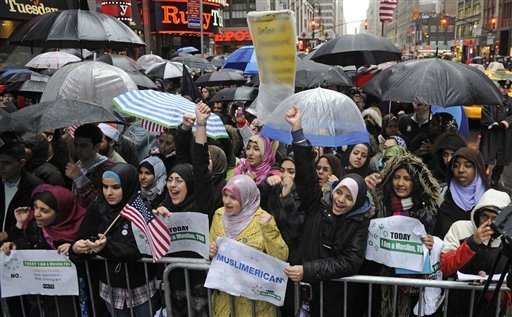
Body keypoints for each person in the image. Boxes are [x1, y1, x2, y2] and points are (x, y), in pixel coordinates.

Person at [283, 106, 374, 317]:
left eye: (349, 197)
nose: (340, 200)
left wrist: (308, 270)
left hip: (332, 300)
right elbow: (306, 176)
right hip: (300, 293)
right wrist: (298, 130)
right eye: (339, 193)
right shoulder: (318, 205)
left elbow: (349, 262)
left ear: (358, 201)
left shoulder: (359, 223)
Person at [69, 163, 159, 317]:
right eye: (105, 187)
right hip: (109, 288)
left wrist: (106, 247)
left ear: (128, 185)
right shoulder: (97, 207)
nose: (109, 193)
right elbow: (84, 238)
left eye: (116, 187)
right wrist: (76, 249)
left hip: (140, 289)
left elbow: (137, 249)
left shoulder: (140, 209)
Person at [371, 151, 441, 317]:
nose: (400, 183)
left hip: (412, 288)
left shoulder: (426, 211)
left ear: (415, 182)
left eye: (407, 178)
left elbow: (438, 245)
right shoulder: (379, 204)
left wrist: (432, 242)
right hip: (380, 281)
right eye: (396, 177)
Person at [208, 174, 289, 316]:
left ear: (246, 197)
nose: (227, 201)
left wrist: (269, 230)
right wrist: (211, 250)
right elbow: (210, 246)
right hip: (225, 303)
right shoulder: (219, 215)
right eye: (225, 195)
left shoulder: (263, 219)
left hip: (255, 306)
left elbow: (281, 257)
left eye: (233, 197)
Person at [1, 184, 86, 316]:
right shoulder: (36, 227)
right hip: (42, 299)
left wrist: (74, 249)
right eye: (35, 207)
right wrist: (15, 241)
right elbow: (29, 245)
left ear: (60, 212)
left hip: (72, 298)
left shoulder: (82, 228)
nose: (36, 214)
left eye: (44, 210)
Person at [440, 189, 512, 317]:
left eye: (495, 218)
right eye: (484, 216)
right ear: (477, 214)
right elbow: (445, 266)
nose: (489, 223)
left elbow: (509, 299)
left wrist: (489, 287)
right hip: (456, 308)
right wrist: (472, 242)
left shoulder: (509, 241)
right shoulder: (460, 228)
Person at [433, 147, 490, 239]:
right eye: (455, 166)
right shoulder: (443, 198)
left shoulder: (490, 201)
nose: (460, 170)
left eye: (467, 166)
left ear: (477, 169)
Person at [258, 154, 305, 254]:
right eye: (282, 170)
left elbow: (296, 230)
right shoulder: (275, 189)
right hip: (269, 245)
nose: (284, 175)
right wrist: (265, 184)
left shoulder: (308, 197)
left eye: (291, 172)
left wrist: (286, 196)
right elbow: (254, 201)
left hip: (291, 253)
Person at [65, 124, 113, 208]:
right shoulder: (79, 163)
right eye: (76, 145)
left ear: (97, 146)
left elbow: (99, 204)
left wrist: (79, 178)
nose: (78, 150)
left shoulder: (107, 169)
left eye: (84, 146)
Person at [480, 79, 512, 189]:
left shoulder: (510, 101)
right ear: (499, 87)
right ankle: (481, 177)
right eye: (503, 87)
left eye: (507, 88)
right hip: (491, 133)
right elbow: (485, 111)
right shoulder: (490, 100)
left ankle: (495, 178)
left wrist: (506, 122)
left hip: (504, 135)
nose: (504, 89)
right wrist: (492, 122)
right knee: (485, 155)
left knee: (502, 158)